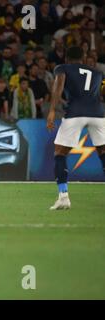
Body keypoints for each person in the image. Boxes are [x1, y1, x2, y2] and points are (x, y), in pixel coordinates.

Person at [46, 46, 105, 210]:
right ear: (83, 58)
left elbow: (59, 85)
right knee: (103, 153)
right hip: (98, 114)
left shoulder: (62, 68)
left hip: (75, 113)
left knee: (60, 153)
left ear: (66, 58)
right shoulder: (98, 73)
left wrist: (51, 110)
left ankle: (63, 196)